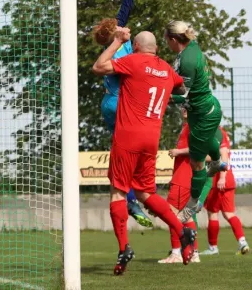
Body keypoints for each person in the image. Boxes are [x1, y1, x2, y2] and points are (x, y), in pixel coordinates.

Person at [92, 28, 196, 275]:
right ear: (157, 49)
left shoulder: (132, 61)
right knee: (145, 192)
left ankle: (124, 247)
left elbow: (99, 66)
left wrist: (118, 41)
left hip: (128, 136)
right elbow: (181, 89)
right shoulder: (167, 69)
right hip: (151, 139)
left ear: (136, 47)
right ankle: (183, 232)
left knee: (118, 191)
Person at [92, 0, 152, 228]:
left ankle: (131, 200)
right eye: (119, 25)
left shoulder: (113, 46)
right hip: (121, 106)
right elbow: (127, 2)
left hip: (109, 105)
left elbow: (127, 0)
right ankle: (134, 199)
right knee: (131, 155)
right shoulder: (121, 50)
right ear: (115, 31)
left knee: (121, 156)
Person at [164, 20, 227, 223]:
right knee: (207, 143)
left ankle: (193, 204)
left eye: (167, 40)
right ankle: (217, 162)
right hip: (204, 111)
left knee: (197, 164)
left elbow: (184, 95)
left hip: (203, 116)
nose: (166, 44)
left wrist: (159, 96)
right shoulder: (191, 48)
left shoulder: (188, 60)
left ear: (173, 40)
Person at [157, 107, 212, 264]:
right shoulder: (187, 127)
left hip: (184, 179)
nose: (184, 108)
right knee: (186, 217)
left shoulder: (194, 127)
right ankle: (194, 253)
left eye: (189, 106)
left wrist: (179, 152)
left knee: (171, 214)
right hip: (182, 178)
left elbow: (203, 153)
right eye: (183, 106)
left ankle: (176, 253)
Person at [200, 127, 250, 256]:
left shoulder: (215, 131)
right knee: (229, 214)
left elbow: (223, 154)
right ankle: (242, 242)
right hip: (227, 179)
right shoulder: (220, 131)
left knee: (213, 213)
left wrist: (221, 177)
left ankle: (213, 248)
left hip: (218, 179)